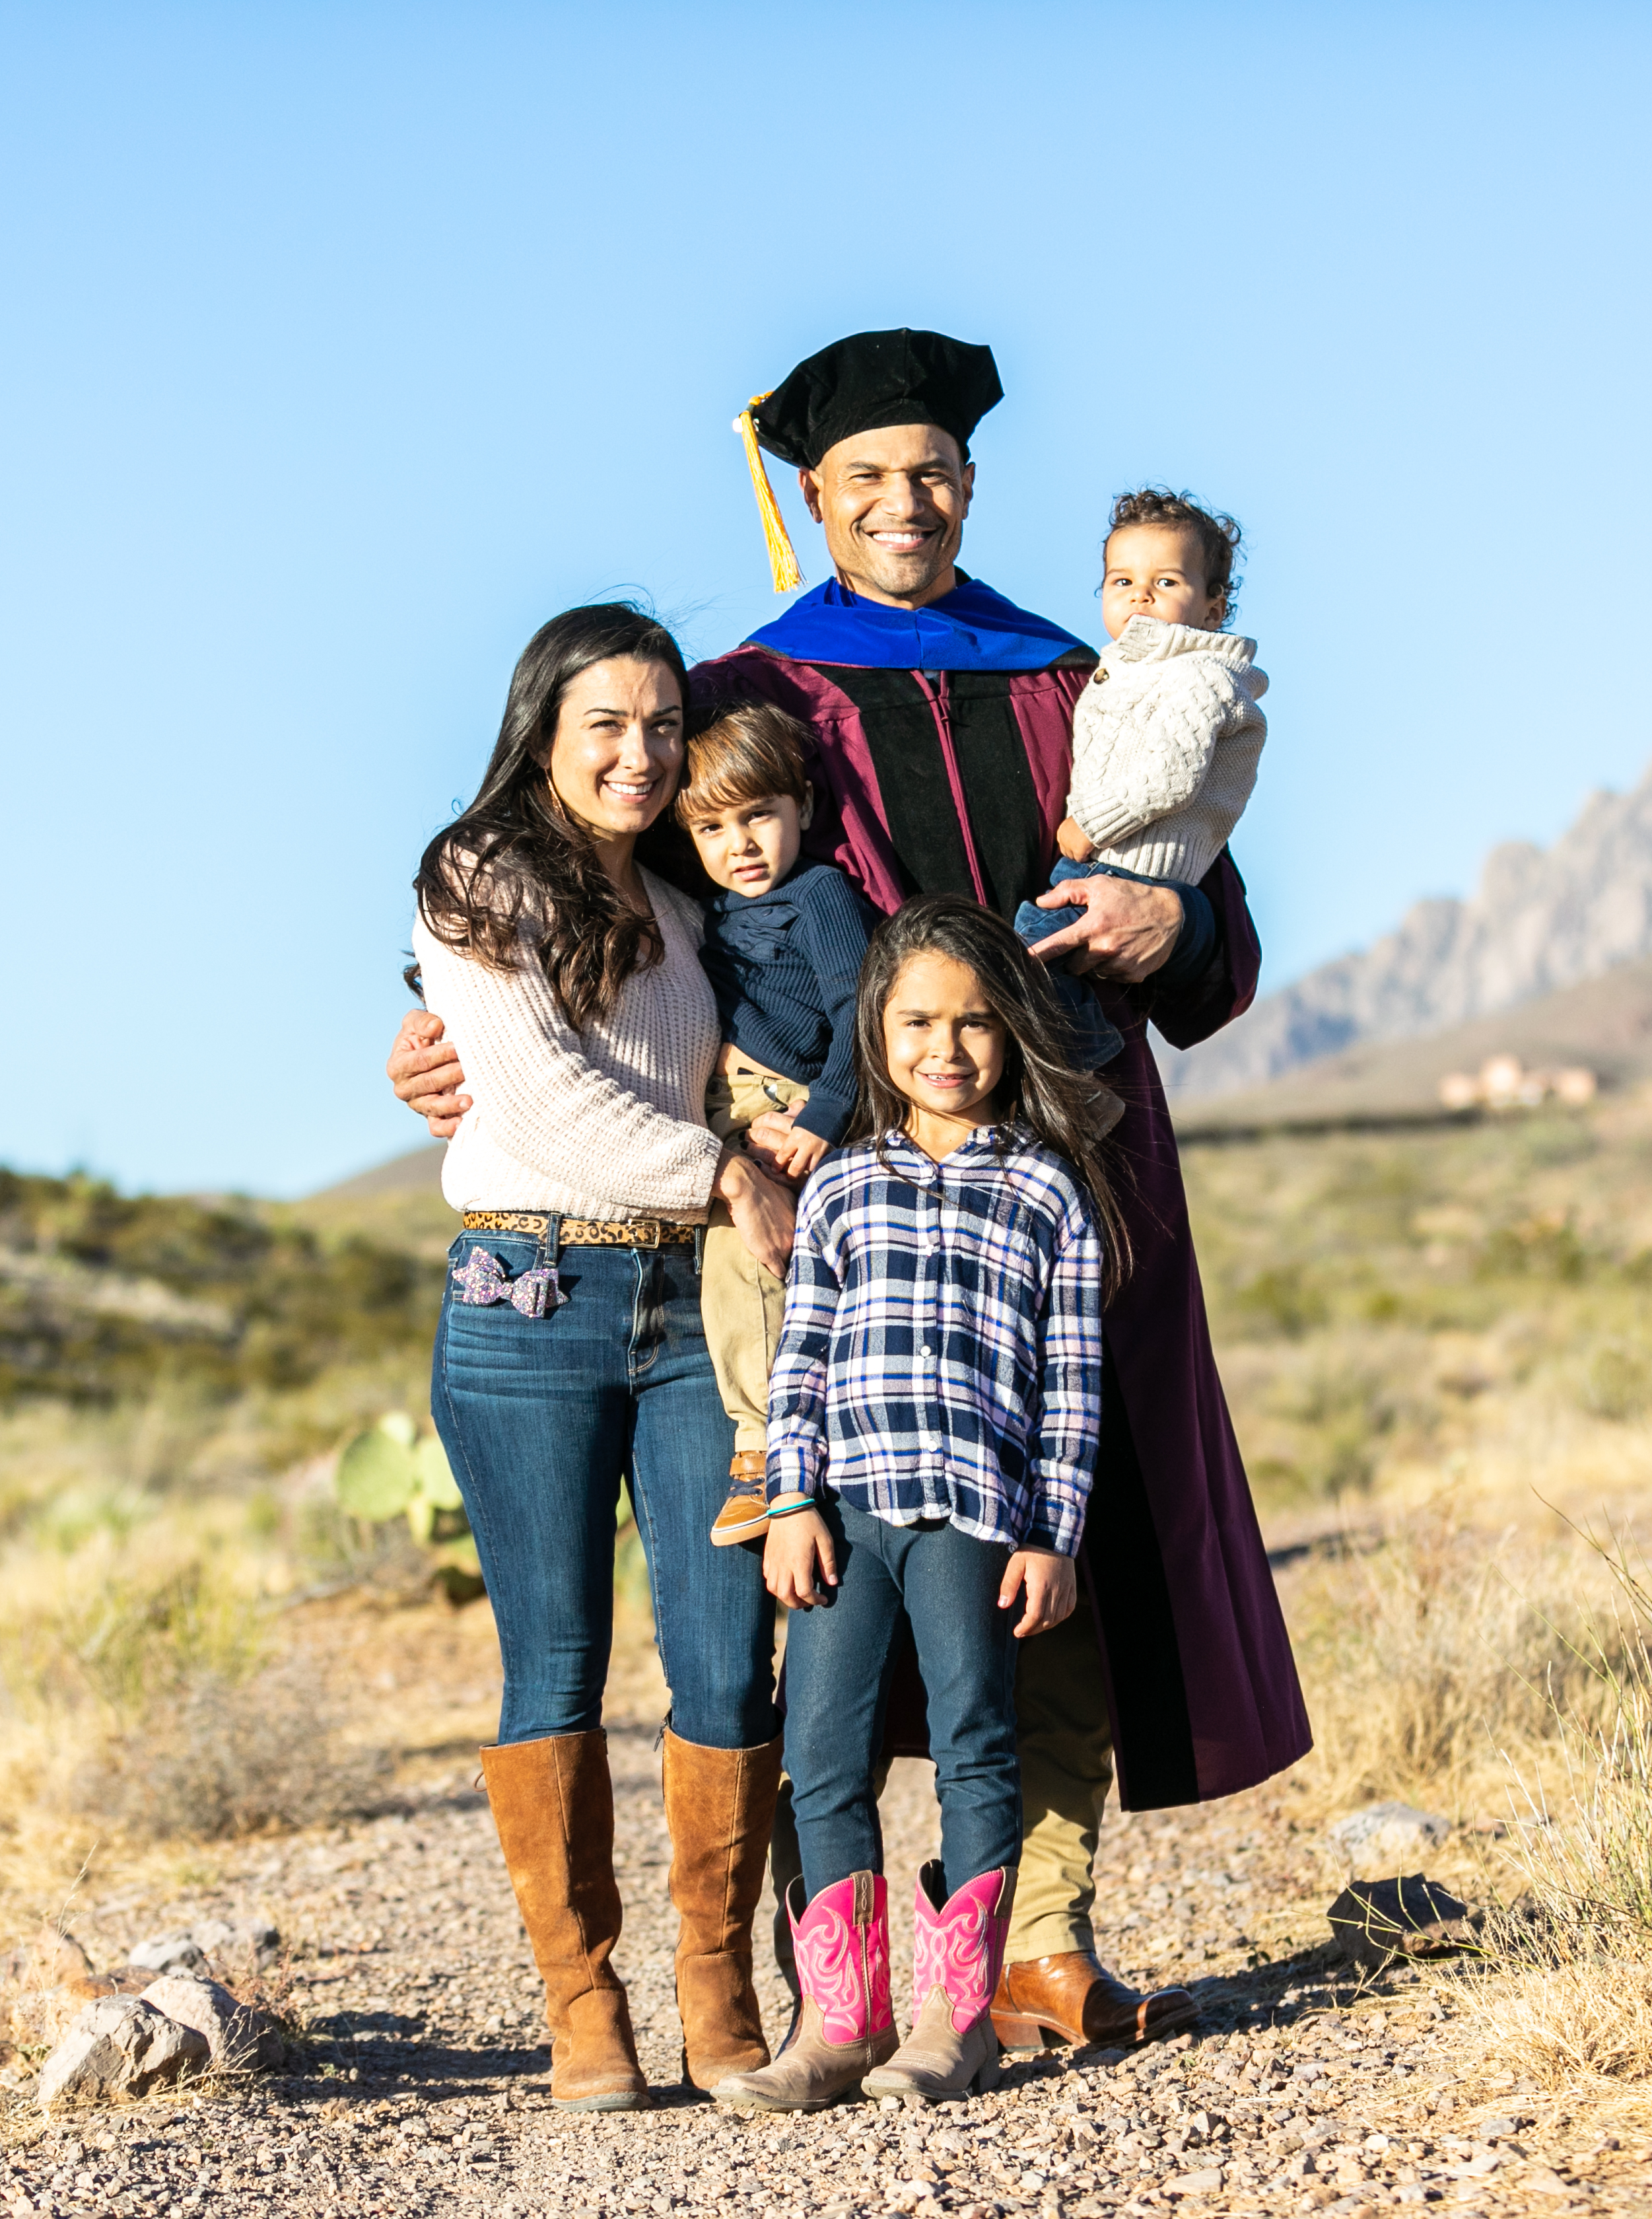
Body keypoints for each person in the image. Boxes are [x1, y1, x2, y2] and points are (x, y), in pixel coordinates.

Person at [394, 329, 1311, 2055]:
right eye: (870, 478)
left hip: (1066, 1172)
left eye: (937, 471)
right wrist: (423, 1019)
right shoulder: (753, 696)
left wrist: (1177, 925)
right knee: (824, 1569)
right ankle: (831, 1975)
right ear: (812, 497)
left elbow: (1218, 924)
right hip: (840, 1197)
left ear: (974, 485)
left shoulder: (1077, 678)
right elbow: (582, 893)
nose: (909, 501)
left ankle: (1040, 1936)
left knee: (1060, 1542)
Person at [409, 602, 799, 2109]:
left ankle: (718, 1991)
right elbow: (549, 1102)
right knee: (556, 1662)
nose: (640, 755)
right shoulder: (475, 877)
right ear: (544, 733)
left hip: (693, 1321)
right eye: (606, 727)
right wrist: (723, 1172)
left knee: (723, 1654)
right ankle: (585, 2007)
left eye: (659, 725)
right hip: (529, 1308)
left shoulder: (686, 904)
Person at [713, 898, 1122, 2113]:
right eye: (917, 1022)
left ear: (1013, 1035)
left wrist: (1054, 1531)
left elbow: (1075, 1386)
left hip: (974, 1521)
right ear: (875, 1029)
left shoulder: (1050, 1193)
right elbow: (803, 1359)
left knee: (974, 1745)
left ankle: (957, 2019)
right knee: (823, 1754)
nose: (946, 1049)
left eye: (977, 1024)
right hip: (846, 1515)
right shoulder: (842, 1187)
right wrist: (792, 1500)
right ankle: (842, 2022)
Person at [671, 701, 876, 1547]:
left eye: (759, 815)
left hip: (792, 1104)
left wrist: (828, 1109)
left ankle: (762, 1451)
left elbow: (863, 1006)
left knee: (748, 1260)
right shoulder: (704, 915)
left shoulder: (820, 893)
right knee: (746, 1269)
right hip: (725, 1117)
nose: (740, 844)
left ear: (804, 809)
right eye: (713, 827)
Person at [1012, 490, 1269, 1071]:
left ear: (1212, 608)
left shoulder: (1198, 679)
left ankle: (1079, 1072)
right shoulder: (1133, 672)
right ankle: (1083, 1056)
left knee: (1015, 960)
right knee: (1043, 963)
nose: (1142, 595)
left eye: (1168, 581)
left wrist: (1088, 825)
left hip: (1121, 866)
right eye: (1122, 581)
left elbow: (1167, 780)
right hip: (1113, 861)